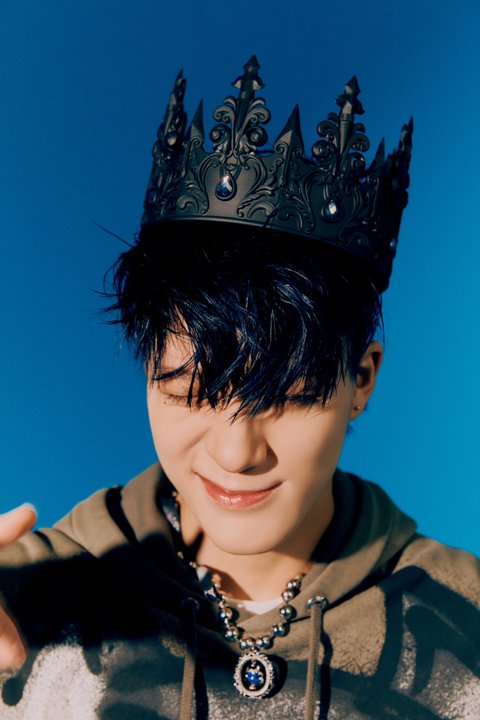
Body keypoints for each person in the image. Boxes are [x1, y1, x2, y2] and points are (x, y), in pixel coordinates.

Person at [0, 56, 478, 720]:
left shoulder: (468, 616)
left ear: (362, 380)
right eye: (190, 390)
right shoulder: (21, 598)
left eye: (287, 395)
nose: (236, 453)